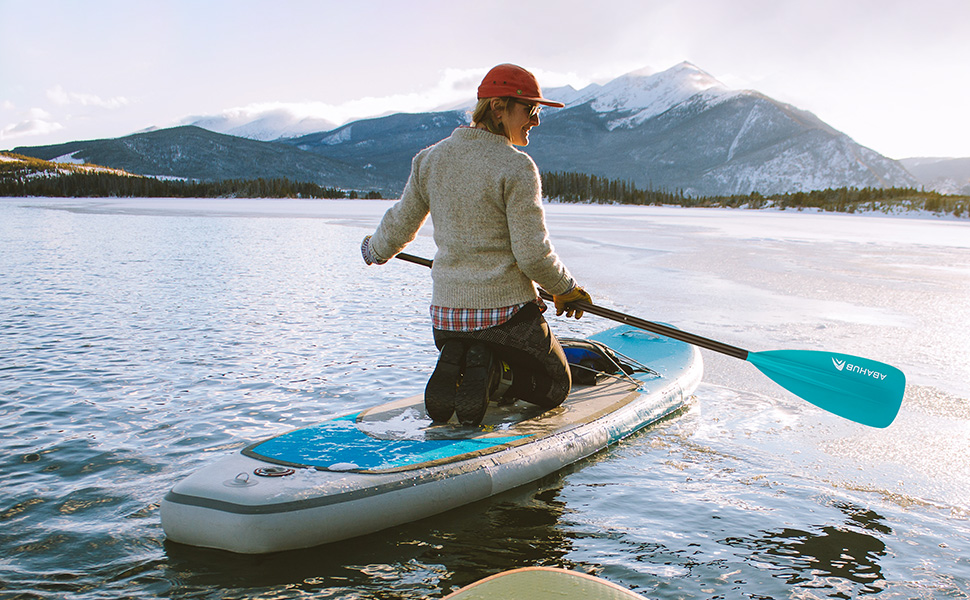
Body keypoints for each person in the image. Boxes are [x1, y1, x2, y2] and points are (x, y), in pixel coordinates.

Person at [361, 63, 591, 427]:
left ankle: (467, 355)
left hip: (446, 318)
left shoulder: (429, 159)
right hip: (506, 318)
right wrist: (566, 289)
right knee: (555, 385)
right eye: (530, 110)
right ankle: (495, 374)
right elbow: (532, 254)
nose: (536, 120)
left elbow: (400, 224)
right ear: (499, 108)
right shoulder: (516, 167)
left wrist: (374, 250)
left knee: (474, 341)